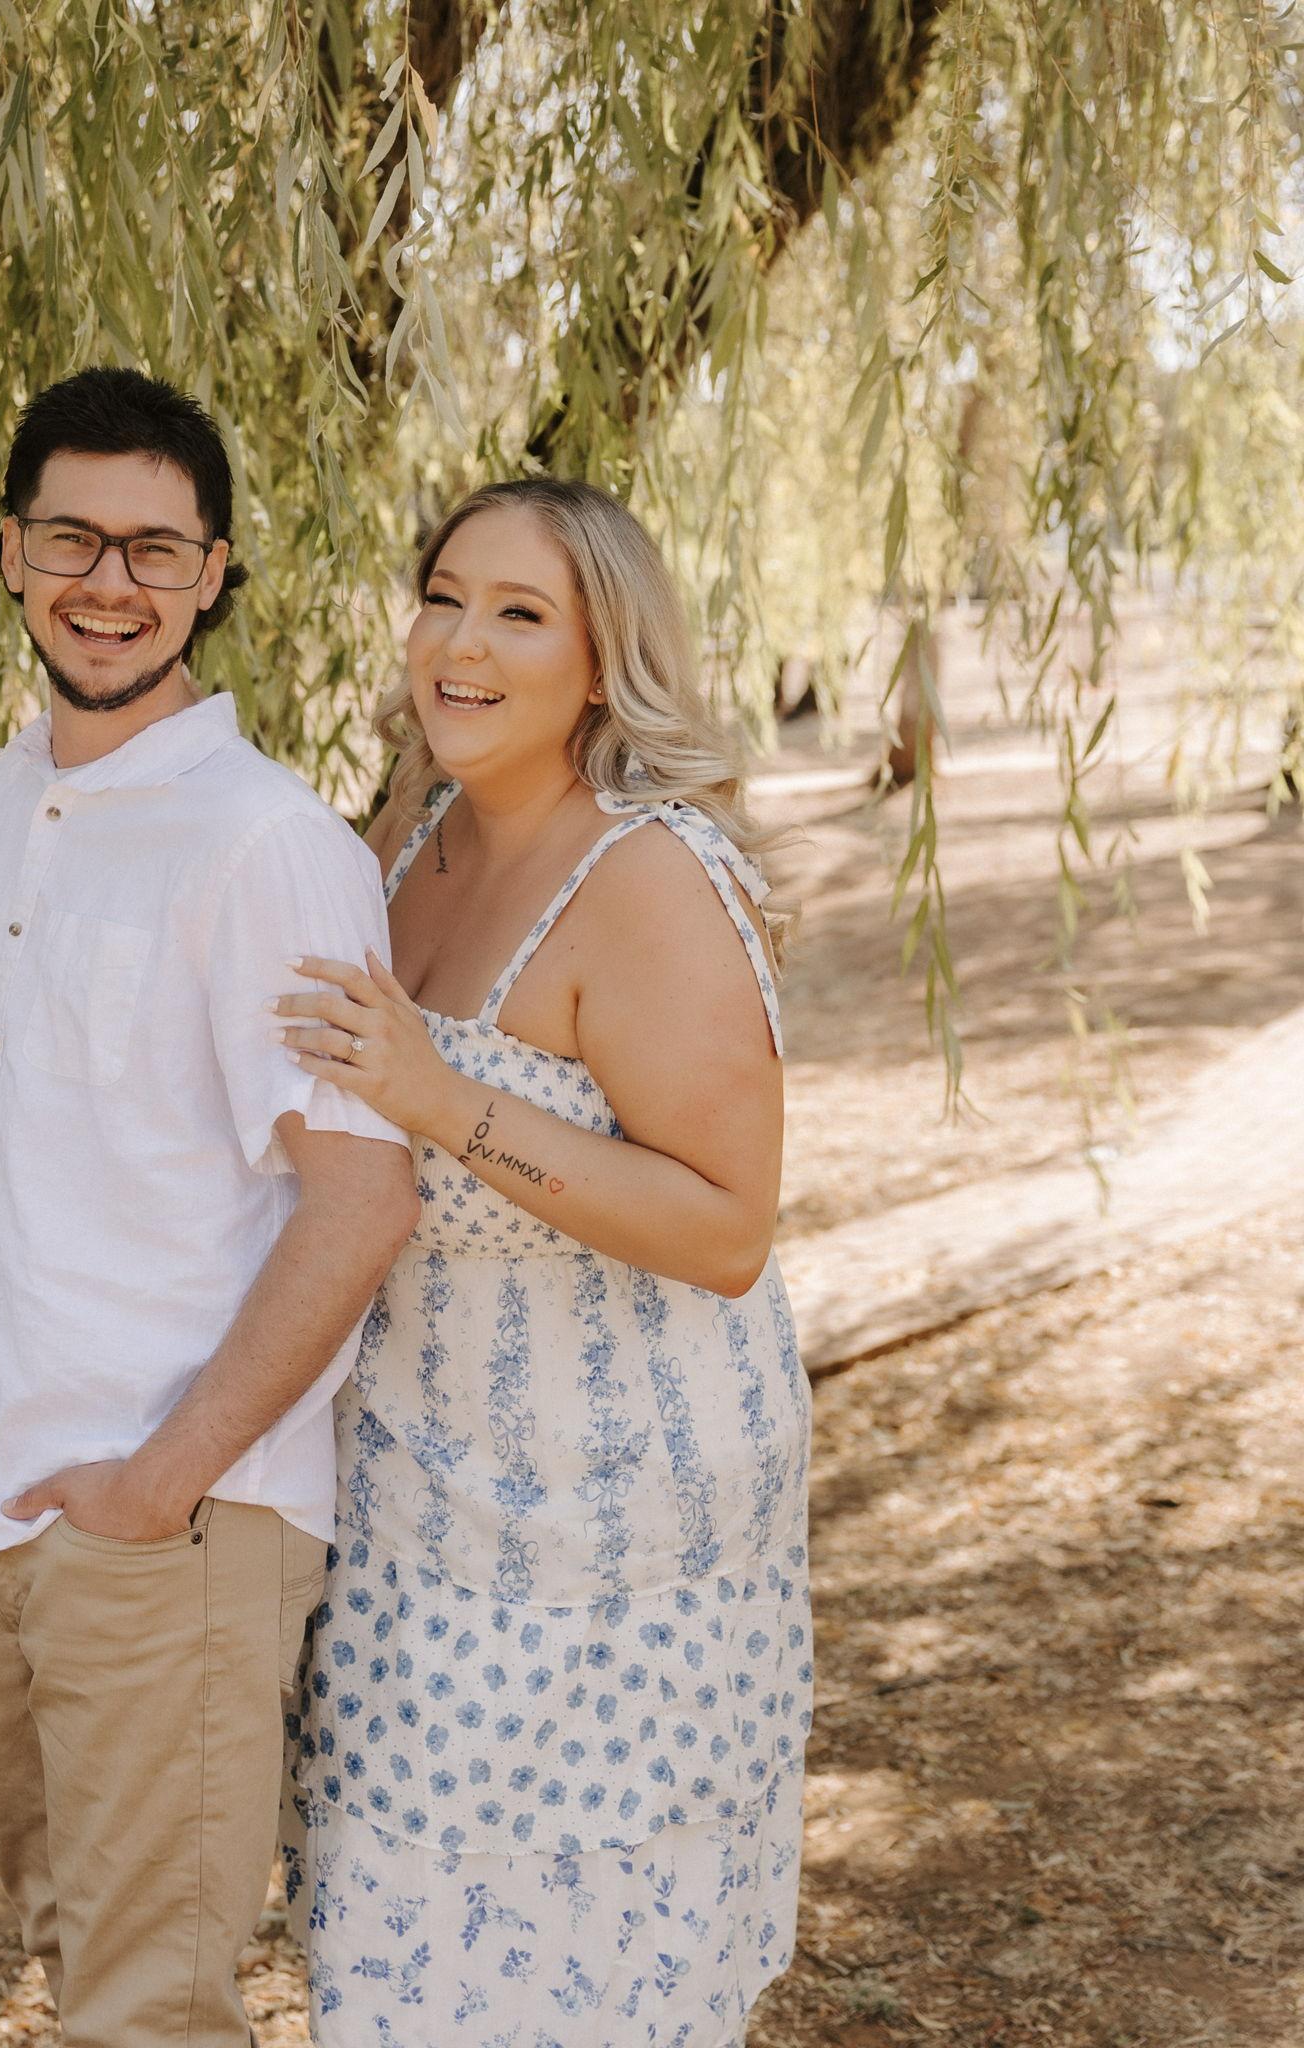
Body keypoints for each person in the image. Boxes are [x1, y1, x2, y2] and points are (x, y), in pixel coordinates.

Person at [0, 367, 420, 2048]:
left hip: (172, 1518)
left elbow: (359, 1203)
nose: (111, 584)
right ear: (9, 550)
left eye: (157, 550)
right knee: (74, 1962)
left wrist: (160, 1483)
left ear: (214, 573)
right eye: (73, 539)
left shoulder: (268, 849)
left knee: (149, 2011)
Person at [273, 479, 811, 2045]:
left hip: (619, 1544)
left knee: (586, 1984)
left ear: (601, 661)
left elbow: (727, 1226)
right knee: (395, 1957)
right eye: (444, 596)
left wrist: (443, 1098)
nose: (461, 642)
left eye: (519, 614)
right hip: (408, 1504)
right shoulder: (409, 834)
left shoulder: (652, 878)